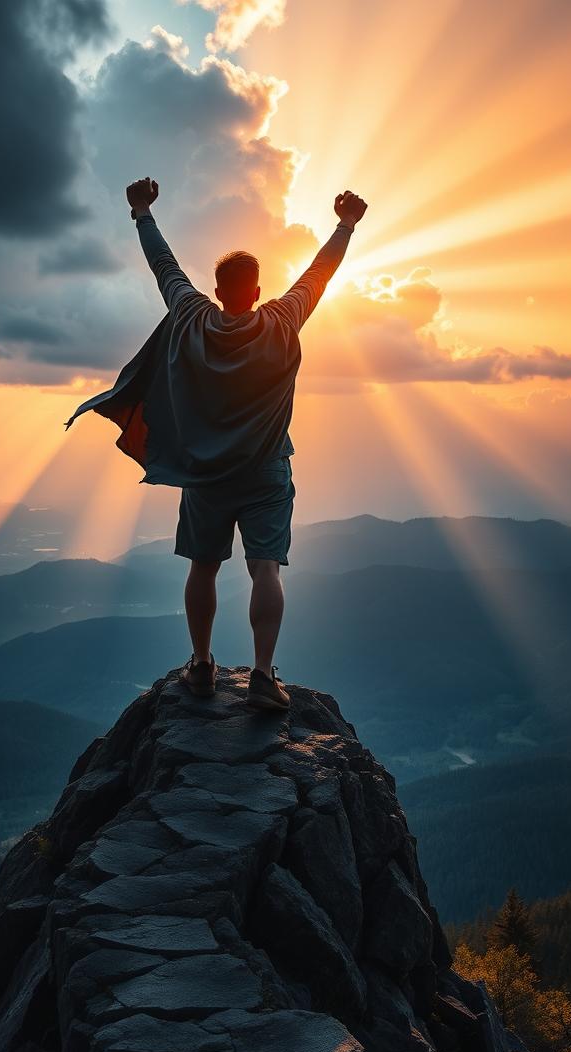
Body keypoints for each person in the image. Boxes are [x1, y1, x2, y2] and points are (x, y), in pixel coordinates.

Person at [63, 177, 367, 709]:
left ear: (218, 289)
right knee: (265, 568)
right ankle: (263, 676)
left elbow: (165, 268)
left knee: (203, 566)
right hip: (267, 472)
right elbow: (319, 275)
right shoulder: (282, 321)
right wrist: (344, 225)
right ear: (254, 291)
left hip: (206, 475)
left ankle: (201, 667)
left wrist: (141, 213)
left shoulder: (192, 316)